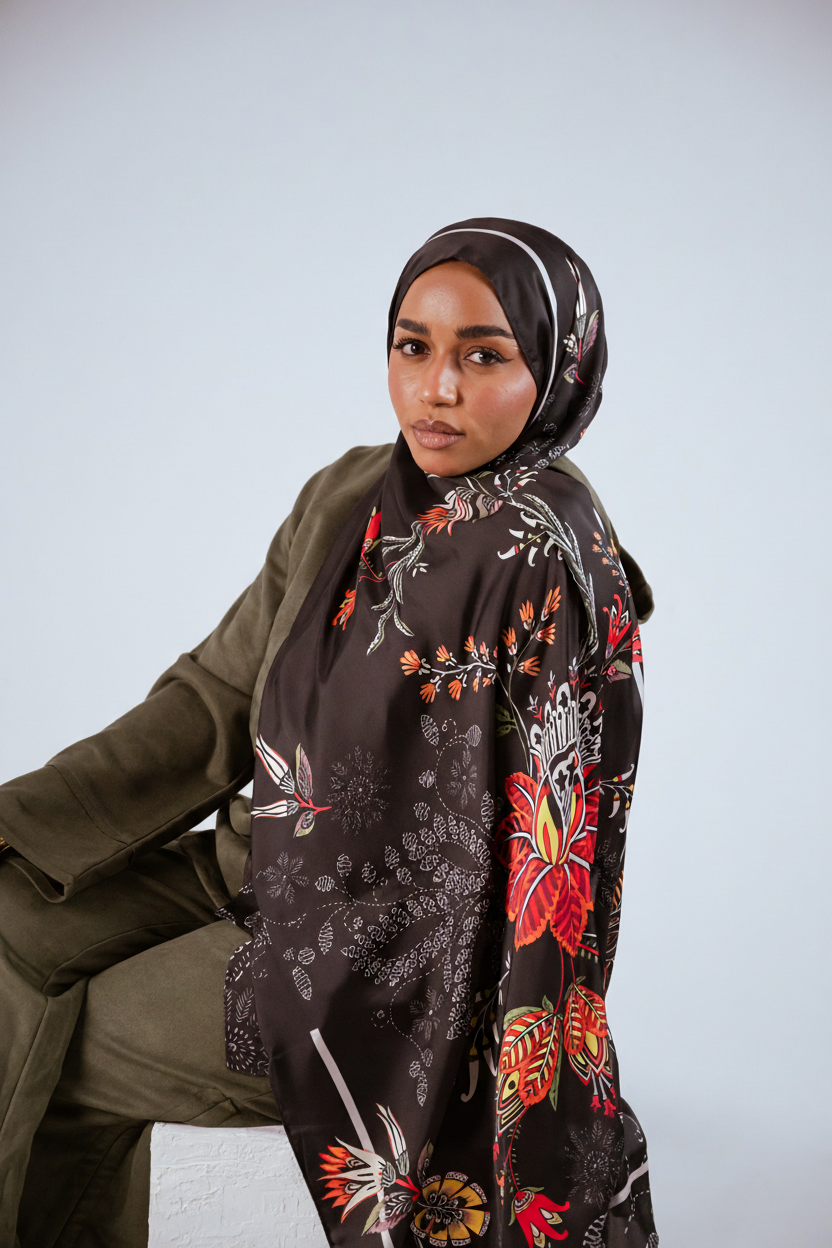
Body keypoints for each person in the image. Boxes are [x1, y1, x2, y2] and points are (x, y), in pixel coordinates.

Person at [0, 218, 658, 1248]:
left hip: (385, 959)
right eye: (413, 346)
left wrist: (516, 1079)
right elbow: (216, 698)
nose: (436, 387)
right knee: (7, 910)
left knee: (69, 1042)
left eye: (484, 354)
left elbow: (557, 855)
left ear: (559, 371)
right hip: (254, 868)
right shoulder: (348, 493)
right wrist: (21, 821)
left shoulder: (545, 553)